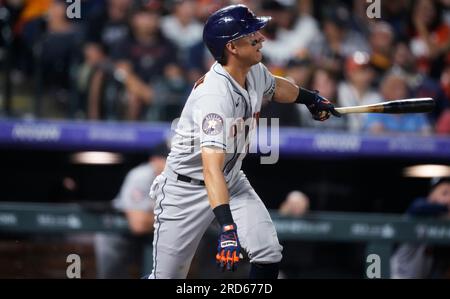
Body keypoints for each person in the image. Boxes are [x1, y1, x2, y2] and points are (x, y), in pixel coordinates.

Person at [145, 4, 340, 279]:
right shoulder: (214, 96)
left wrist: (311, 99)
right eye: (251, 33)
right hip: (186, 189)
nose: (261, 37)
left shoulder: (253, 70)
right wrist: (227, 228)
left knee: (269, 254)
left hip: (231, 179)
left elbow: (275, 86)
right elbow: (210, 169)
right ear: (232, 47)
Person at [94, 142, 169, 278]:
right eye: (168, 159)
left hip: (144, 239)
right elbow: (138, 224)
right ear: (155, 160)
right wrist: (176, 218)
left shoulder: (173, 180)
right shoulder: (141, 176)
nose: (174, 164)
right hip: (116, 236)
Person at [390, 177, 450, 279]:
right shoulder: (418, 211)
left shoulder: (441, 222)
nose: (448, 198)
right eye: (445, 193)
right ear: (431, 195)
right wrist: (445, 208)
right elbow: (417, 206)